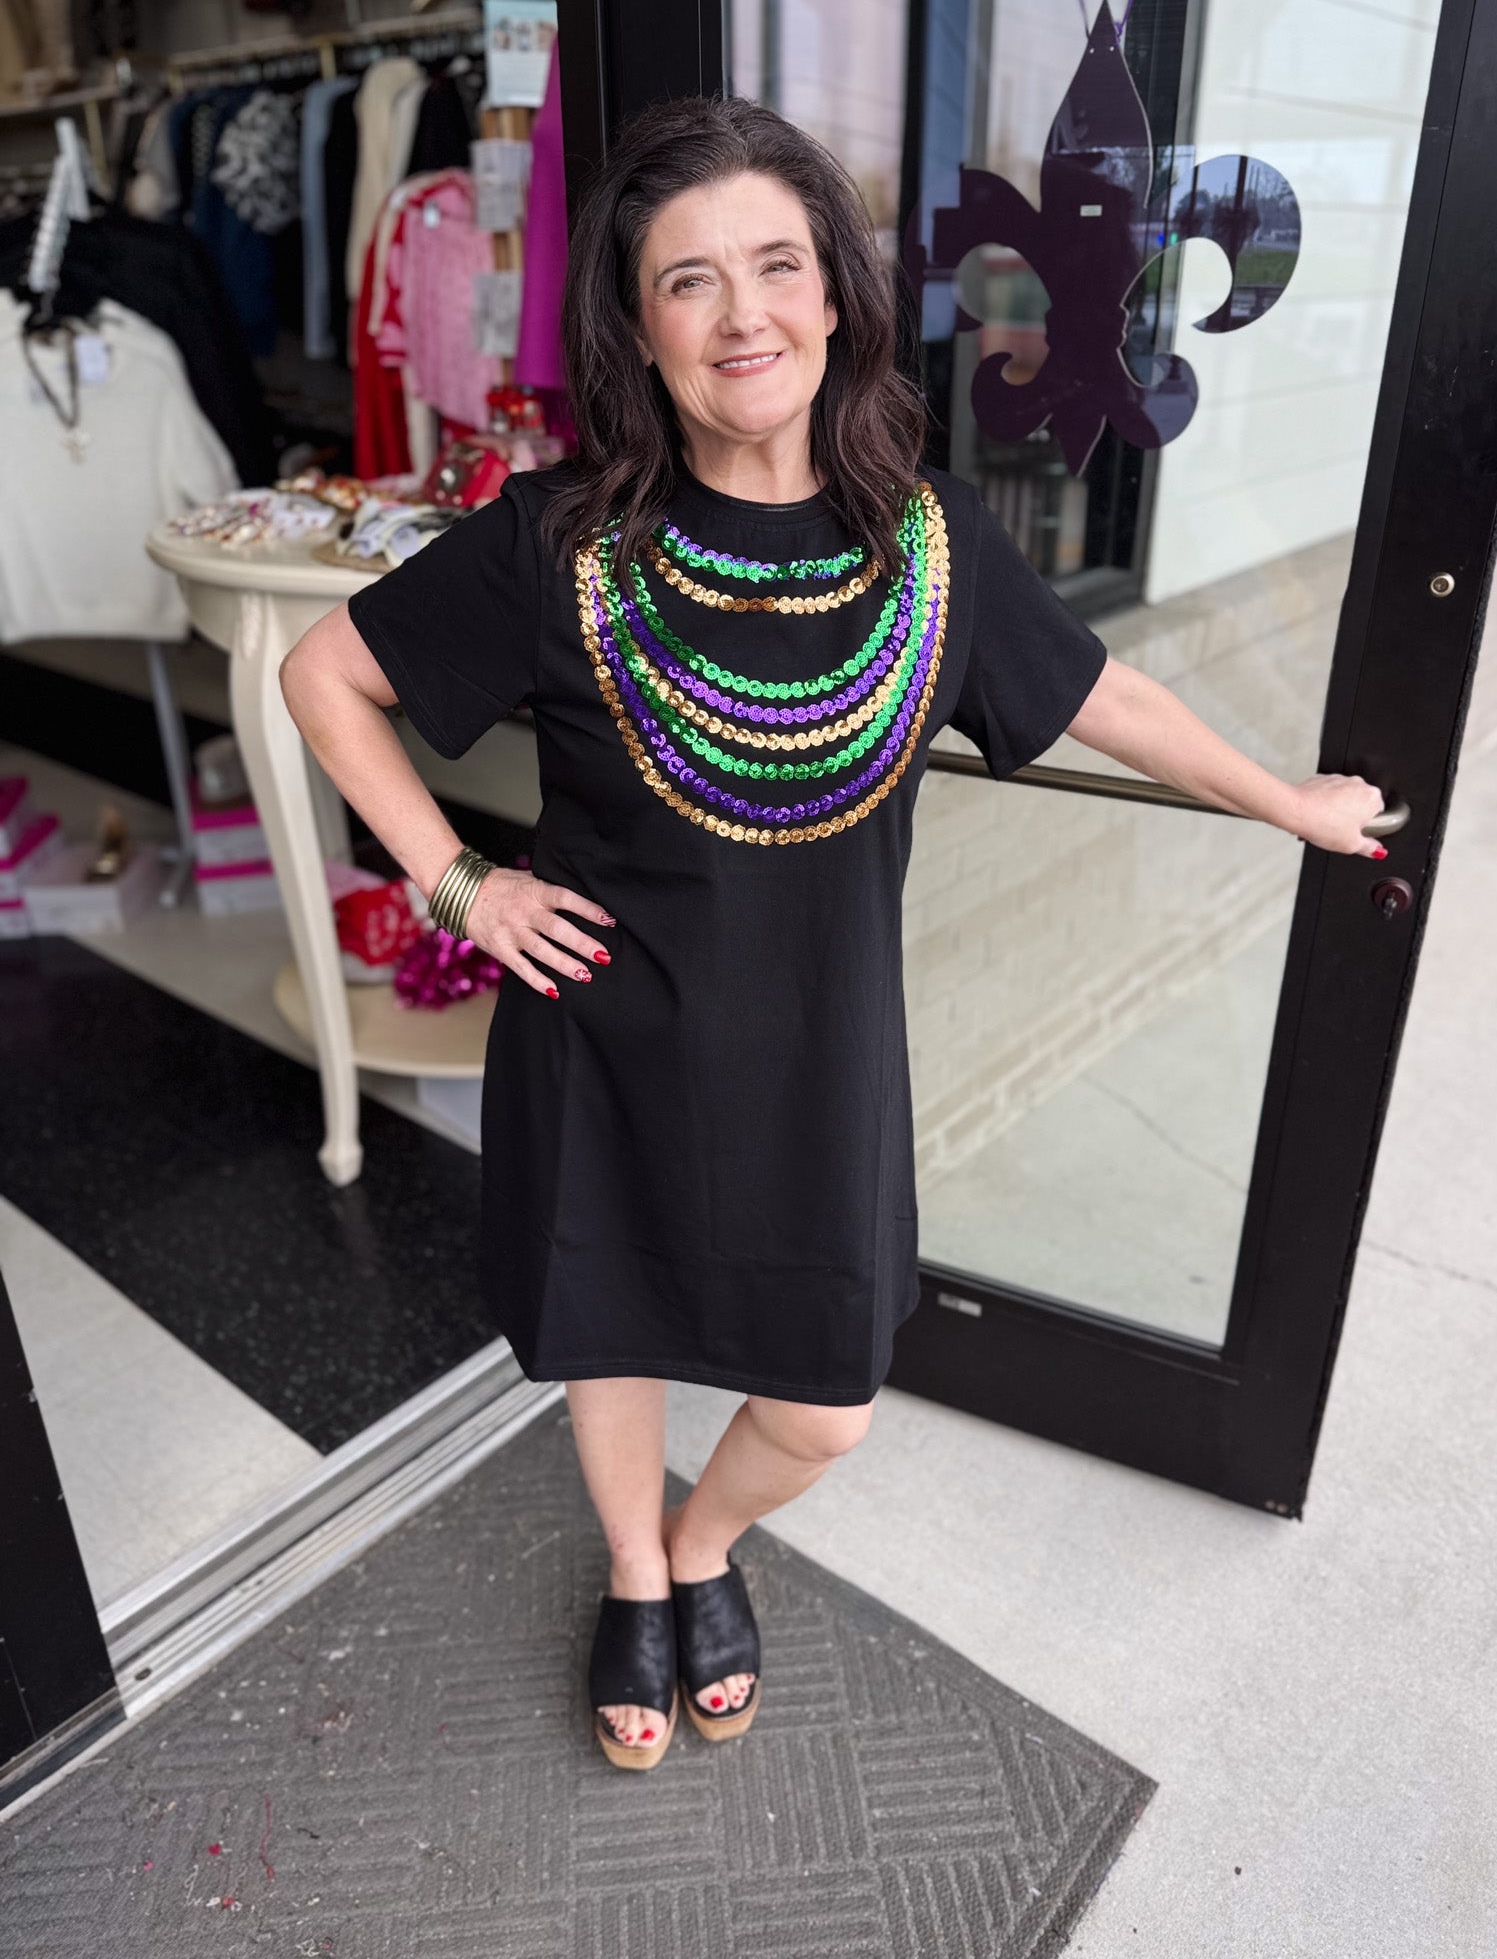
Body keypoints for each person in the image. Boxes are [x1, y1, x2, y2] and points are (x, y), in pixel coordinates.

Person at [279, 95, 1386, 1771]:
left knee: (825, 1406)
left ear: (836, 295)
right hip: (604, 1035)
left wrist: (1283, 799)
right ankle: (638, 1570)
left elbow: (1106, 695)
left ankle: (707, 1538)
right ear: (639, 330)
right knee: (610, 1334)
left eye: (778, 266)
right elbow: (326, 676)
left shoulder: (927, 544)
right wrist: (461, 884)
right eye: (690, 281)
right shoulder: (560, 540)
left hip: (821, 1065)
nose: (744, 315)